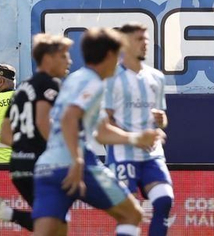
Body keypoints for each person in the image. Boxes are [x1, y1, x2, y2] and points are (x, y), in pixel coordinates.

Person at [28, 27, 159, 236]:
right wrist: (77, 160)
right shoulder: (94, 83)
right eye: (118, 55)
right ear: (109, 55)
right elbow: (70, 116)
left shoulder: (75, 79)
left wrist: (135, 138)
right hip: (77, 164)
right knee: (132, 215)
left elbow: (101, 131)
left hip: (47, 167)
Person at [0, 36, 70, 232]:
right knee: (54, 220)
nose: (69, 61)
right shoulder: (49, 85)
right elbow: (43, 124)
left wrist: (24, 150)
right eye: (63, 56)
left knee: (53, 221)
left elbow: (4, 135)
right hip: (37, 166)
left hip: (18, 166)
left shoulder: (23, 91)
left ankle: (7, 213)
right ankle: (6, 213)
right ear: (48, 58)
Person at [106, 23, 172, 236]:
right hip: (123, 155)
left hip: (151, 154)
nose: (145, 44)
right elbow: (104, 123)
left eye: (146, 39)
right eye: (139, 39)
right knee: (129, 214)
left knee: (164, 201)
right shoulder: (110, 78)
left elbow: (161, 121)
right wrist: (135, 138)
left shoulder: (156, 77)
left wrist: (161, 123)